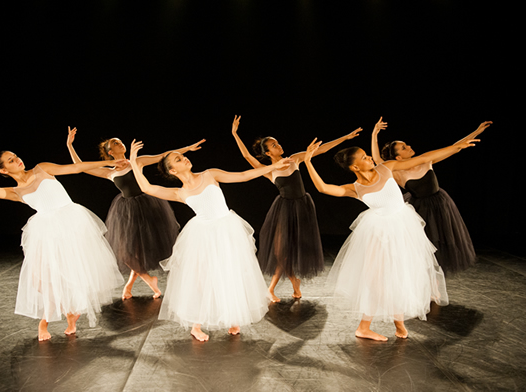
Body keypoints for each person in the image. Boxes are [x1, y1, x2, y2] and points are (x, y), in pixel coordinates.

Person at [302, 125, 480, 341]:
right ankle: (367, 327)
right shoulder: (355, 188)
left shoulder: (387, 168)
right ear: (355, 167)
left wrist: (457, 147)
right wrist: (309, 162)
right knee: (378, 279)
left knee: (399, 275)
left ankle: (397, 324)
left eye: (368, 155)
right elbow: (324, 188)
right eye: (365, 158)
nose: (370, 159)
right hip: (379, 234)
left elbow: (425, 157)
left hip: (403, 228)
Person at [0, 140, 125, 341]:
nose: (17, 160)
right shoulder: (16, 192)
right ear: (3, 170)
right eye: (11, 160)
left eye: (15, 156)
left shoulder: (42, 169)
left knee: (71, 272)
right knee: (40, 280)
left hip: (71, 224)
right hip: (45, 232)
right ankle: (67, 311)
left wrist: (107, 165)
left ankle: (49, 321)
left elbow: (76, 168)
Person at [127, 138, 294, 341]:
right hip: (202, 235)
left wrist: (274, 166)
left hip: (226, 230)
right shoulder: (179, 192)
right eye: (179, 159)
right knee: (203, 279)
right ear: (173, 171)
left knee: (231, 273)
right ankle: (196, 325)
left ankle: (233, 318)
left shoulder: (209, 174)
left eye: (183, 156)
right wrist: (134, 162)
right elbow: (146, 187)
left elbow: (242, 176)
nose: (185, 159)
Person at [231, 115, 362, 302]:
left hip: (302, 208)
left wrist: (345, 137)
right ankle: (287, 285)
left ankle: (286, 286)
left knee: (291, 250)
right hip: (283, 210)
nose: (279, 146)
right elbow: (246, 156)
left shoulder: (294, 159)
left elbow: (320, 150)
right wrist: (235, 134)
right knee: (279, 251)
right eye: (274, 146)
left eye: (277, 143)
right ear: (268, 153)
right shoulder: (269, 170)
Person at [66, 127, 205, 299]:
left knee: (138, 251)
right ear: (110, 151)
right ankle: (146, 281)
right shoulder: (110, 172)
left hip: (148, 205)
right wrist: (70, 145)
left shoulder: (136, 161)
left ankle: (133, 286)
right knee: (127, 253)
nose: (120, 143)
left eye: (120, 140)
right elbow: (81, 167)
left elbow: (163, 155)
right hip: (126, 212)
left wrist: (187, 148)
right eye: (115, 143)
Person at [372, 118, 491, 273]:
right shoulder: (396, 172)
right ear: (398, 158)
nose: (409, 147)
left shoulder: (425, 160)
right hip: (419, 210)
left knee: (440, 247)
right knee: (423, 248)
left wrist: (477, 131)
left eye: (406, 144)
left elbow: (454, 147)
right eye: (403, 147)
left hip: (440, 205)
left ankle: (435, 287)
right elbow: (377, 161)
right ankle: (429, 286)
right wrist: (375, 134)